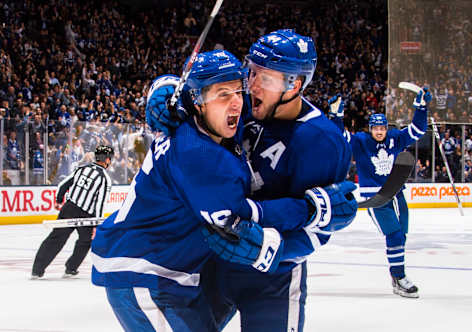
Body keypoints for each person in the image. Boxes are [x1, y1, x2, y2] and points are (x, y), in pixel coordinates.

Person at [91, 50, 354, 332]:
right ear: (197, 101)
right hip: (146, 274)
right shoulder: (199, 154)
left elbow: (187, 86)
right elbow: (246, 219)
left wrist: (164, 84)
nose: (237, 102)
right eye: (222, 93)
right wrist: (314, 209)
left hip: (168, 275)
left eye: (238, 91)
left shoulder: (201, 124)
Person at [329, 87, 432, 298]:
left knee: (400, 236)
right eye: (375, 128)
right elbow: (339, 135)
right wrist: (336, 116)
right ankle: (400, 276)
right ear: (370, 129)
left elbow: (418, 130)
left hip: (396, 192)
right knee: (393, 235)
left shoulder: (395, 138)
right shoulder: (360, 142)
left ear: (386, 128)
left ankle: (396, 280)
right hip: (375, 198)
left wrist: (421, 108)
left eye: (382, 128)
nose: (379, 131)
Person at [31, 145, 113, 279]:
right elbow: (100, 203)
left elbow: (63, 185)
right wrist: (96, 224)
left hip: (69, 208)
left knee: (56, 238)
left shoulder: (81, 169)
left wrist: (58, 200)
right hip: (88, 214)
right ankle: (71, 268)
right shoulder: (104, 178)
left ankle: (37, 270)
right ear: (108, 160)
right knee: (86, 241)